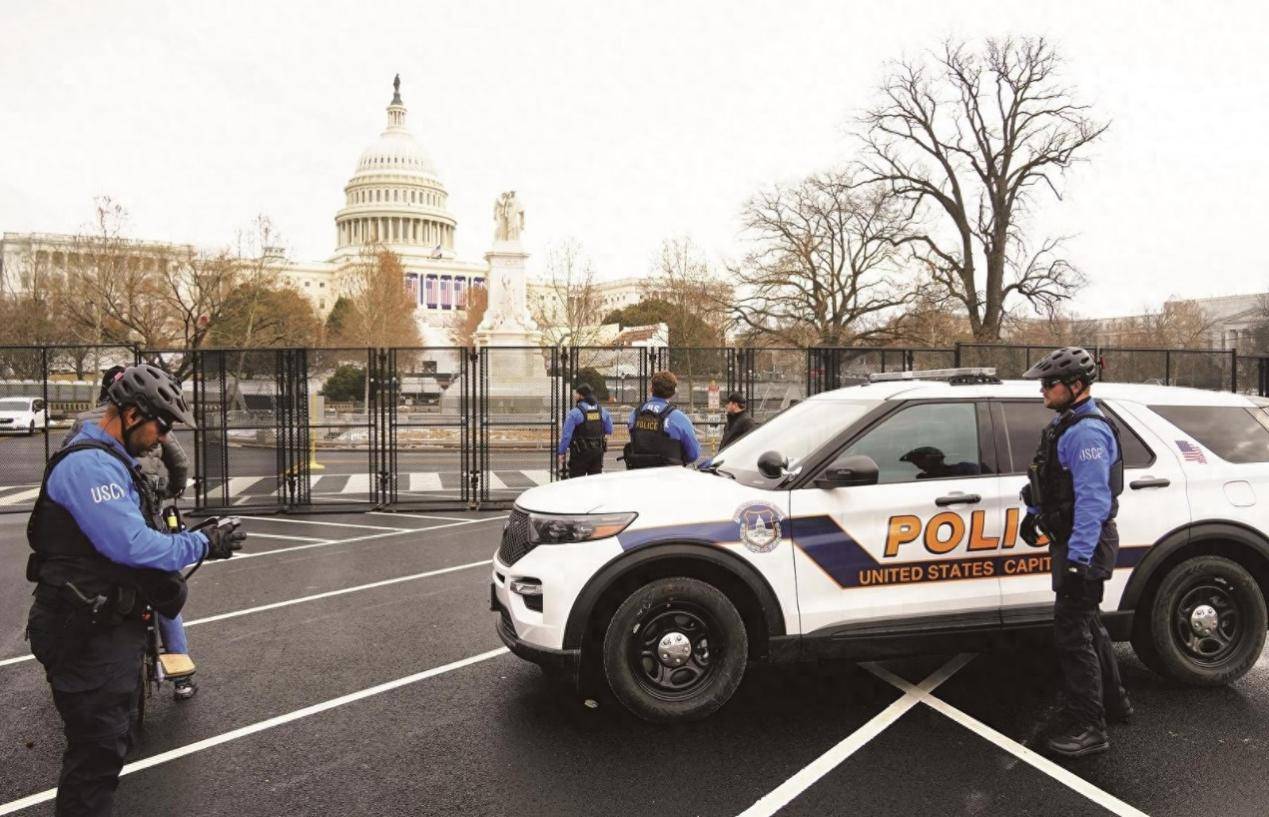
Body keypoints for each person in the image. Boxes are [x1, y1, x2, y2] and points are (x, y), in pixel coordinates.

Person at [25, 364, 246, 816]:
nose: (164, 437)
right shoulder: (89, 465)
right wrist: (203, 542)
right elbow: (131, 545)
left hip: (104, 628)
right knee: (95, 759)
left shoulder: (115, 461)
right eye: (160, 424)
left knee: (107, 751)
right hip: (84, 635)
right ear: (129, 414)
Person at [1020, 346, 1133, 758]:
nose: (1043, 391)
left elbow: (1092, 502)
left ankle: (1090, 726)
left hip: (1085, 545)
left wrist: (1077, 560)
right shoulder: (1065, 424)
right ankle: (1115, 701)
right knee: (1089, 625)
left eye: (1049, 384)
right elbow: (1048, 480)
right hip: (1074, 541)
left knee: (1072, 635)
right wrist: (1034, 512)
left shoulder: (1086, 432)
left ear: (1076, 386)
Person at [62, 366, 198, 701]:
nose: (161, 435)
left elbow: (64, 458)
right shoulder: (151, 421)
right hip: (148, 507)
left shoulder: (84, 424)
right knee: (166, 586)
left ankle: (78, 658)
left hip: (100, 520)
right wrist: (172, 490)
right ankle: (181, 674)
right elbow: (179, 462)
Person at [623, 370, 700, 468]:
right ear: (673, 392)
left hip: (640, 476)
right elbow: (693, 454)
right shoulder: (679, 418)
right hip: (669, 477)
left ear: (651, 389)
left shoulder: (635, 415)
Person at [557, 383, 613, 478]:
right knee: (594, 484)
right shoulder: (602, 411)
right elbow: (609, 430)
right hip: (597, 453)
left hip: (580, 454)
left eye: (576, 393)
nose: (574, 396)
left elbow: (566, 435)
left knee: (576, 485)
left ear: (581, 395)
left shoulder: (575, 413)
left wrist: (561, 452)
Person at [899, 446, 981, 479]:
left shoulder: (966, 468)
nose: (917, 466)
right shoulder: (922, 478)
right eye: (915, 463)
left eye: (917, 462)